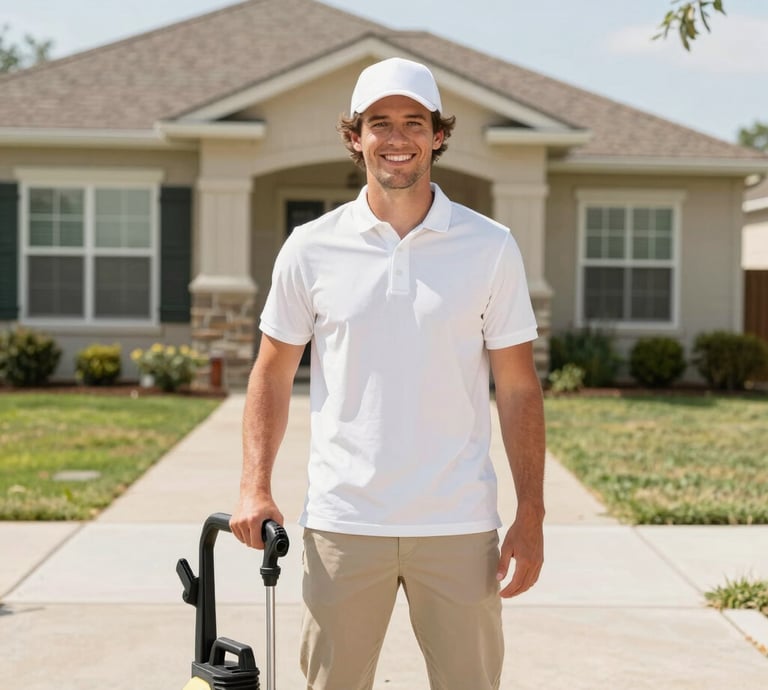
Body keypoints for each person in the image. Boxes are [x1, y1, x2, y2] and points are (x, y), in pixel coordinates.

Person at [231, 57, 546, 690]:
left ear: (437, 134)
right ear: (356, 137)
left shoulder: (490, 246)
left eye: (413, 122)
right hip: (344, 522)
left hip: (457, 523)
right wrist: (253, 484)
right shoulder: (311, 247)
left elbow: (517, 386)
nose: (396, 138)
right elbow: (271, 372)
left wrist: (531, 512)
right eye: (380, 123)